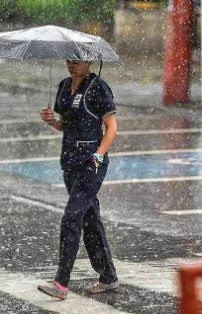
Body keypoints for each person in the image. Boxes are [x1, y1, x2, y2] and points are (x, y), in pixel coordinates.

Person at [37, 59, 119, 300]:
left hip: (91, 165)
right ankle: (108, 277)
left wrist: (97, 155)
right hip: (70, 164)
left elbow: (111, 128)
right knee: (90, 220)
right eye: (69, 61)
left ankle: (61, 283)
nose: (72, 66)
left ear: (89, 61)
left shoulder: (98, 87)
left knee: (71, 218)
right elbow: (67, 126)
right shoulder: (63, 86)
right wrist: (52, 120)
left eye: (77, 62)